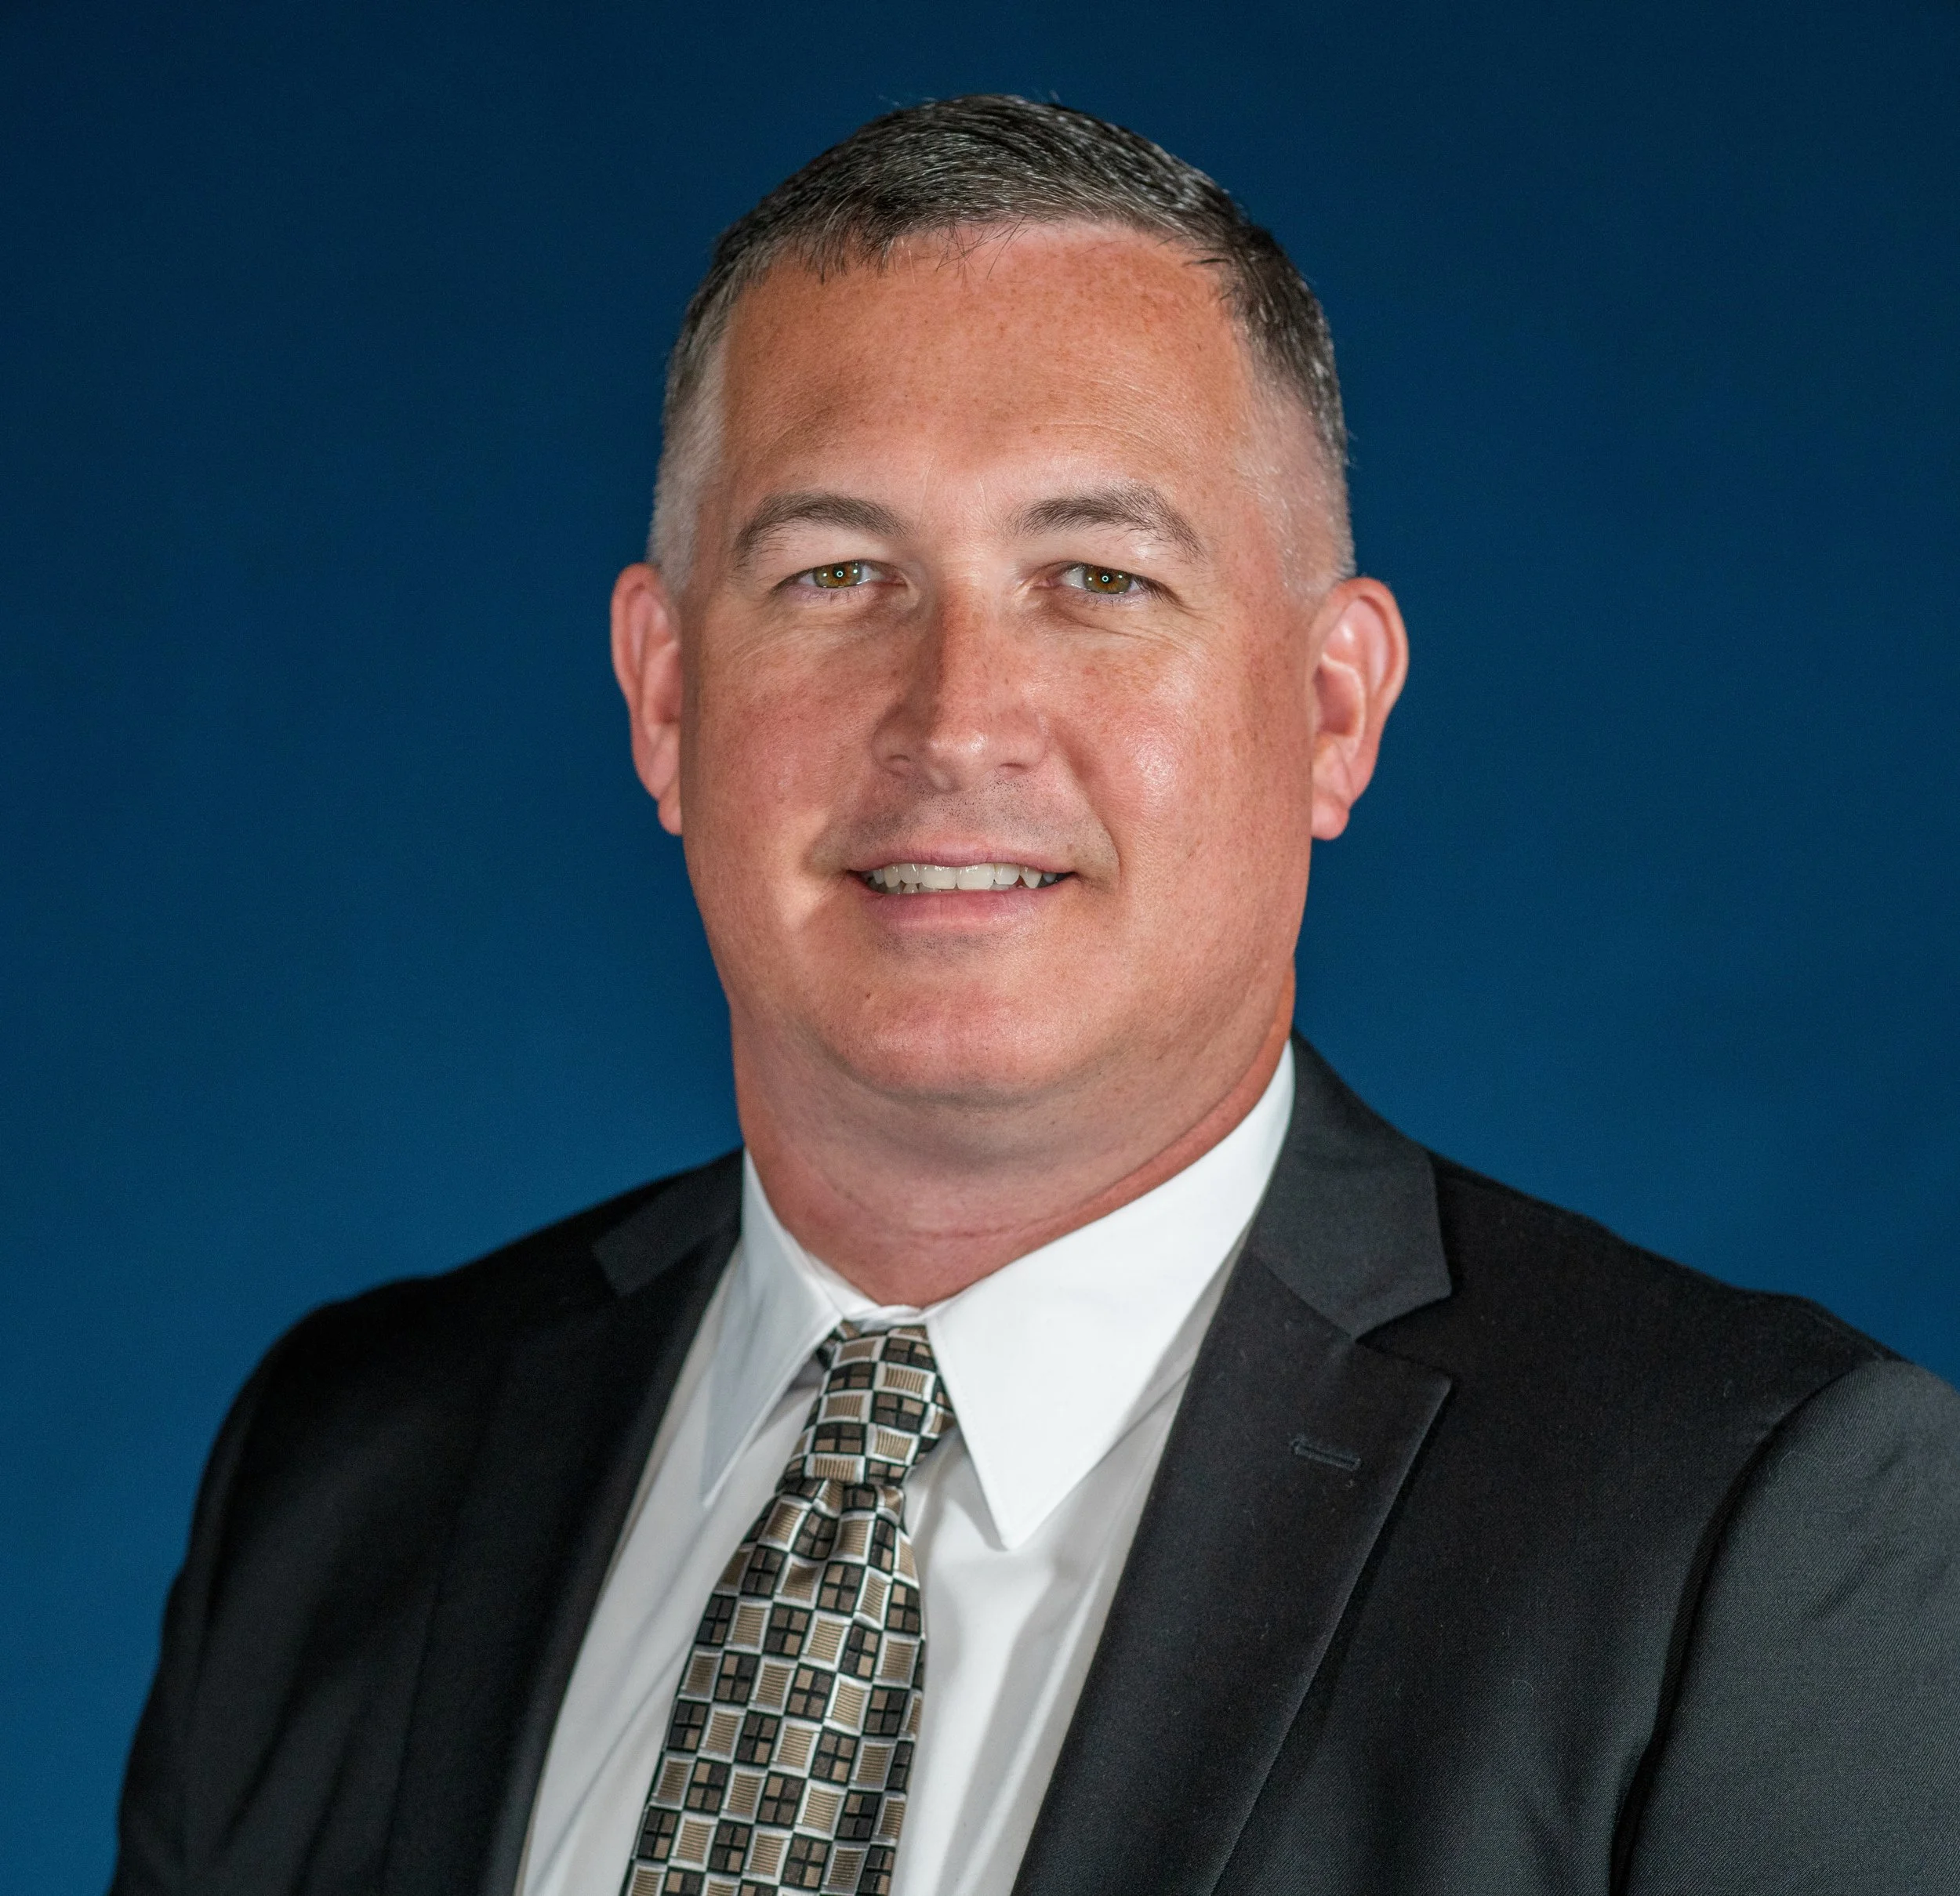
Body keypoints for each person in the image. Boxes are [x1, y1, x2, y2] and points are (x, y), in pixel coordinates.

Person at [112, 96, 1960, 1896]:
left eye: (1095, 577)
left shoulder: (1742, 1532)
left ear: (1330, 711)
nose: (955, 719)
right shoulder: (343, 1467)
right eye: (836, 575)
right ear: (663, 698)